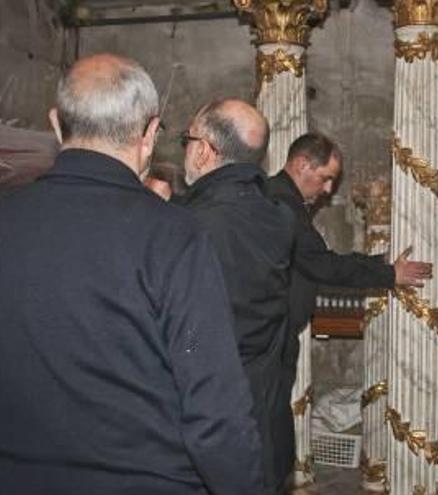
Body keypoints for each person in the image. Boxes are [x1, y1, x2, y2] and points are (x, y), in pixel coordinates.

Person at [0, 54, 264, 495]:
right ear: (149, 134)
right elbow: (215, 413)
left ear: (56, 124)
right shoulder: (173, 236)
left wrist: (24, 448)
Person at [265, 132, 433, 483]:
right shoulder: (281, 203)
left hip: (274, 332)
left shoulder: (280, 199)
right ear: (301, 165)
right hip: (270, 336)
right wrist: (389, 273)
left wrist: (380, 264)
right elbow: (322, 265)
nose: (327, 190)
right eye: (325, 178)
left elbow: (316, 261)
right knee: (272, 440)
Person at [174, 98, 295, 494]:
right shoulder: (280, 217)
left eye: (186, 139)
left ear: (205, 149)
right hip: (265, 423)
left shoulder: (189, 225)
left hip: (210, 439)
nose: (185, 150)